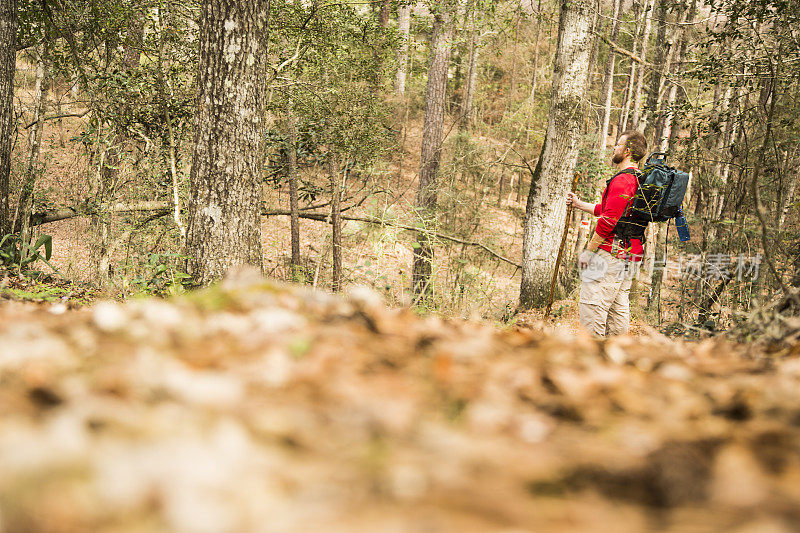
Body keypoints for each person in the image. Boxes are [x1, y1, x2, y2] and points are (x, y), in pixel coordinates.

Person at [566, 130, 648, 336]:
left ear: (627, 151)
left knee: (593, 306)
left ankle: (593, 358)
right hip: (631, 253)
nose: (614, 148)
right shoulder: (641, 180)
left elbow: (608, 221)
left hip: (610, 253)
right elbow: (611, 210)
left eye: (618, 145)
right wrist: (579, 204)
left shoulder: (623, 181)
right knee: (617, 307)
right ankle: (616, 354)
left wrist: (589, 251)